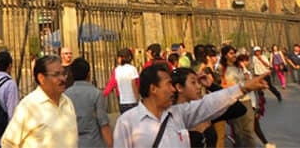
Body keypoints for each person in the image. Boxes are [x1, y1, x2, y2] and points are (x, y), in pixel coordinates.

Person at [112, 63, 270, 148]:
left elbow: (209, 104)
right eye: (168, 85)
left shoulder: (178, 113)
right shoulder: (127, 122)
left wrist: (244, 87)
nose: (172, 89)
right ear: (153, 89)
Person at [1, 54, 77, 148]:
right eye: (56, 74)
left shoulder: (67, 102)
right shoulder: (29, 106)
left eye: (63, 73)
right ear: (41, 78)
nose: (62, 78)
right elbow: (8, 143)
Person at [63, 57, 112, 148]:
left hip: (73, 142)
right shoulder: (96, 94)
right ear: (89, 74)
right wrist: (110, 143)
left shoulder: (65, 95)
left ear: (72, 75)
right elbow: (103, 122)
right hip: (93, 141)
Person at [218, 45, 255, 148]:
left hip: (246, 100)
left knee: (249, 132)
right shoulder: (222, 69)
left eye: (234, 52)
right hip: (234, 102)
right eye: (230, 53)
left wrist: (246, 74)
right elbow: (221, 85)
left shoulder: (240, 66)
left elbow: (248, 80)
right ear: (225, 56)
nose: (233, 55)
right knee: (238, 132)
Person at [105, 48, 139, 113]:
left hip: (122, 101)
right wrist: (137, 98)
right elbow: (135, 84)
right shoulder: (132, 69)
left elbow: (111, 84)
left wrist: (104, 93)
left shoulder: (116, 70)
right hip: (132, 101)